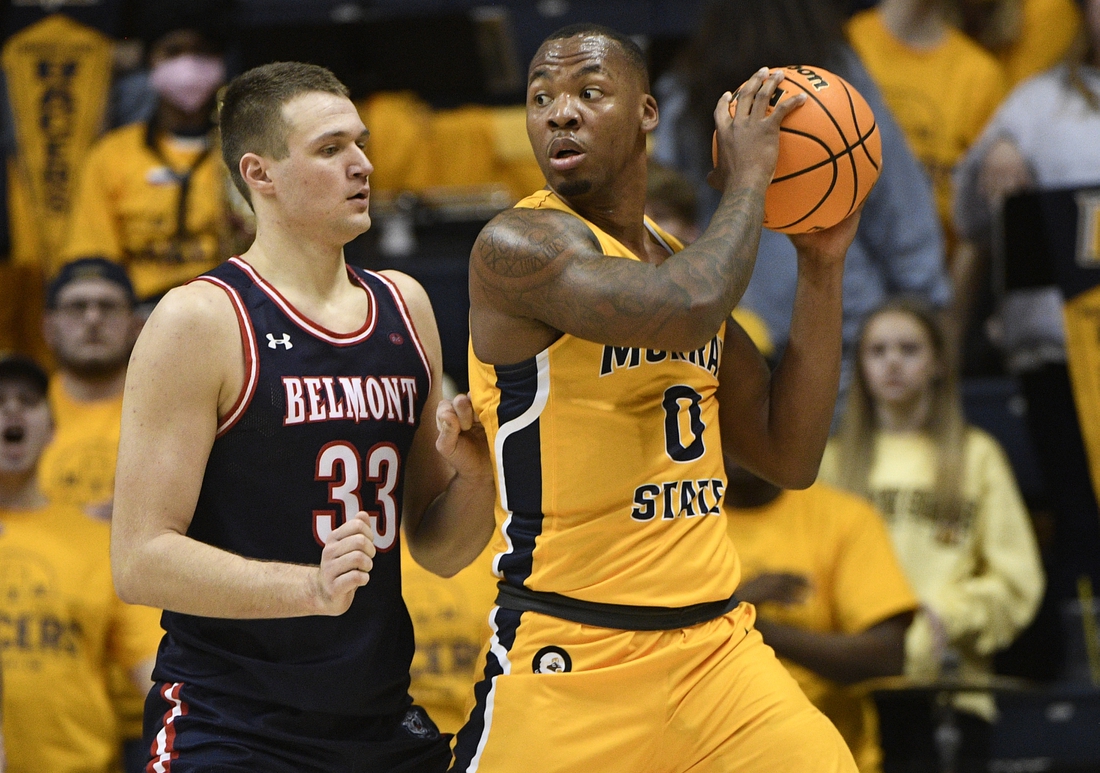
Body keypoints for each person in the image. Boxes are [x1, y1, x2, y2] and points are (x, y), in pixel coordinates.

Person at [452, 22, 863, 772]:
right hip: (574, 653)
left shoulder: (674, 263)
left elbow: (788, 453)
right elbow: (686, 308)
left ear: (647, 113)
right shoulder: (520, 247)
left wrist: (819, 265)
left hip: (714, 652)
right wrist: (749, 181)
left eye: (588, 92)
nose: (559, 113)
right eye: (540, 97)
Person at [109, 61, 495, 772]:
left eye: (361, 143)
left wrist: (475, 480)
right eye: (330, 149)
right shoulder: (201, 319)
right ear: (260, 173)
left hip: (376, 717)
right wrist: (308, 589)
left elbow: (438, 550)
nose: (363, 164)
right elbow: (138, 560)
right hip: (229, 721)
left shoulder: (404, 306)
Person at [653, 0, 950, 420]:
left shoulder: (689, 88)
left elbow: (664, 228)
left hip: (734, 340)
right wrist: (926, 308)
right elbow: (900, 207)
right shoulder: (836, 79)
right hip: (834, 337)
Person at [821, 297, 1045, 772]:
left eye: (909, 348)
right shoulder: (834, 463)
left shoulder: (977, 456)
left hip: (954, 689)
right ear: (860, 365)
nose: (893, 362)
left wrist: (947, 617)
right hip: (851, 693)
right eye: (877, 351)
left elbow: (1017, 580)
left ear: (938, 361)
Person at [953, 0, 1100, 610]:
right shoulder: (1037, 105)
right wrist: (994, 162)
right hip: (1061, 351)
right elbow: (970, 218)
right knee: (1081, 522)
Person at [0, 354, 162, 773]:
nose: (12, 410)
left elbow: (154, 676)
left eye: (28, 401)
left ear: (54, 430)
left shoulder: (95, 542)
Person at [724, 457, 918, 773]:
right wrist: (735, 610)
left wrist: (748, 622)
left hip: (828, 760)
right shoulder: (666, 525)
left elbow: (885, 656)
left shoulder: (844, 517)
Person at [37, 257, 148, 771]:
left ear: (135, 323)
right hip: (54, 702)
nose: (92, 319)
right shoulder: (15, 420)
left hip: (162, 687)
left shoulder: (171, 413)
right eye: (76, 307)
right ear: (49, 325)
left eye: (107, 307)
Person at [61, 8, 250, 303]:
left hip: (233, 302)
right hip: (139, 312)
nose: (188, 65)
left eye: (202, 52)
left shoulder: (246, 151)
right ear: (151, 60)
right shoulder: (112, 154)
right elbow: (92, 258)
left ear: (220, 63)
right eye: (173, 51)